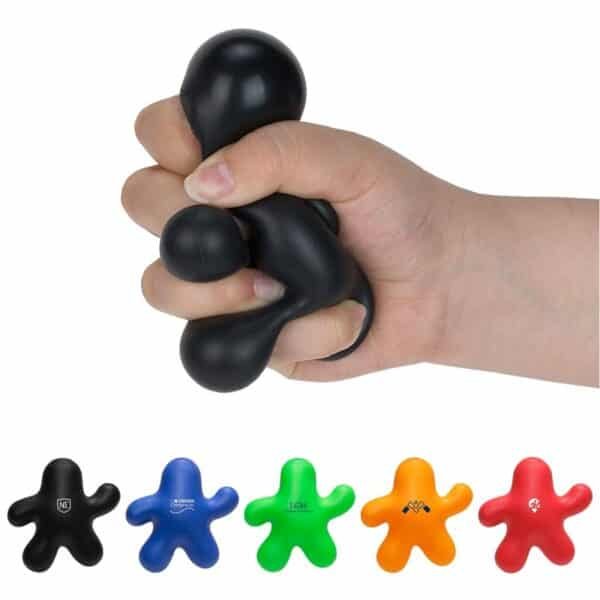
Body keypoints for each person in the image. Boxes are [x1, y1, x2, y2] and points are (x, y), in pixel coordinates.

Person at [122, 97, 599, 387]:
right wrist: (442, 272)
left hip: (320, 284)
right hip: (324, 283)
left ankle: (270, 313)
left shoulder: (281, 217)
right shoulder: (282, 211)